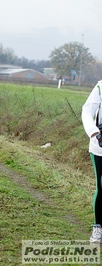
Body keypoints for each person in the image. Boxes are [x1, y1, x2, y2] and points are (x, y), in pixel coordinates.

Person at [81, 80, 102, 243]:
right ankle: (97, 227)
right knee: (101, 186)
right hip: (99, 147)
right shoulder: (101, 87)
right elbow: (87, 110)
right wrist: (94, 132)